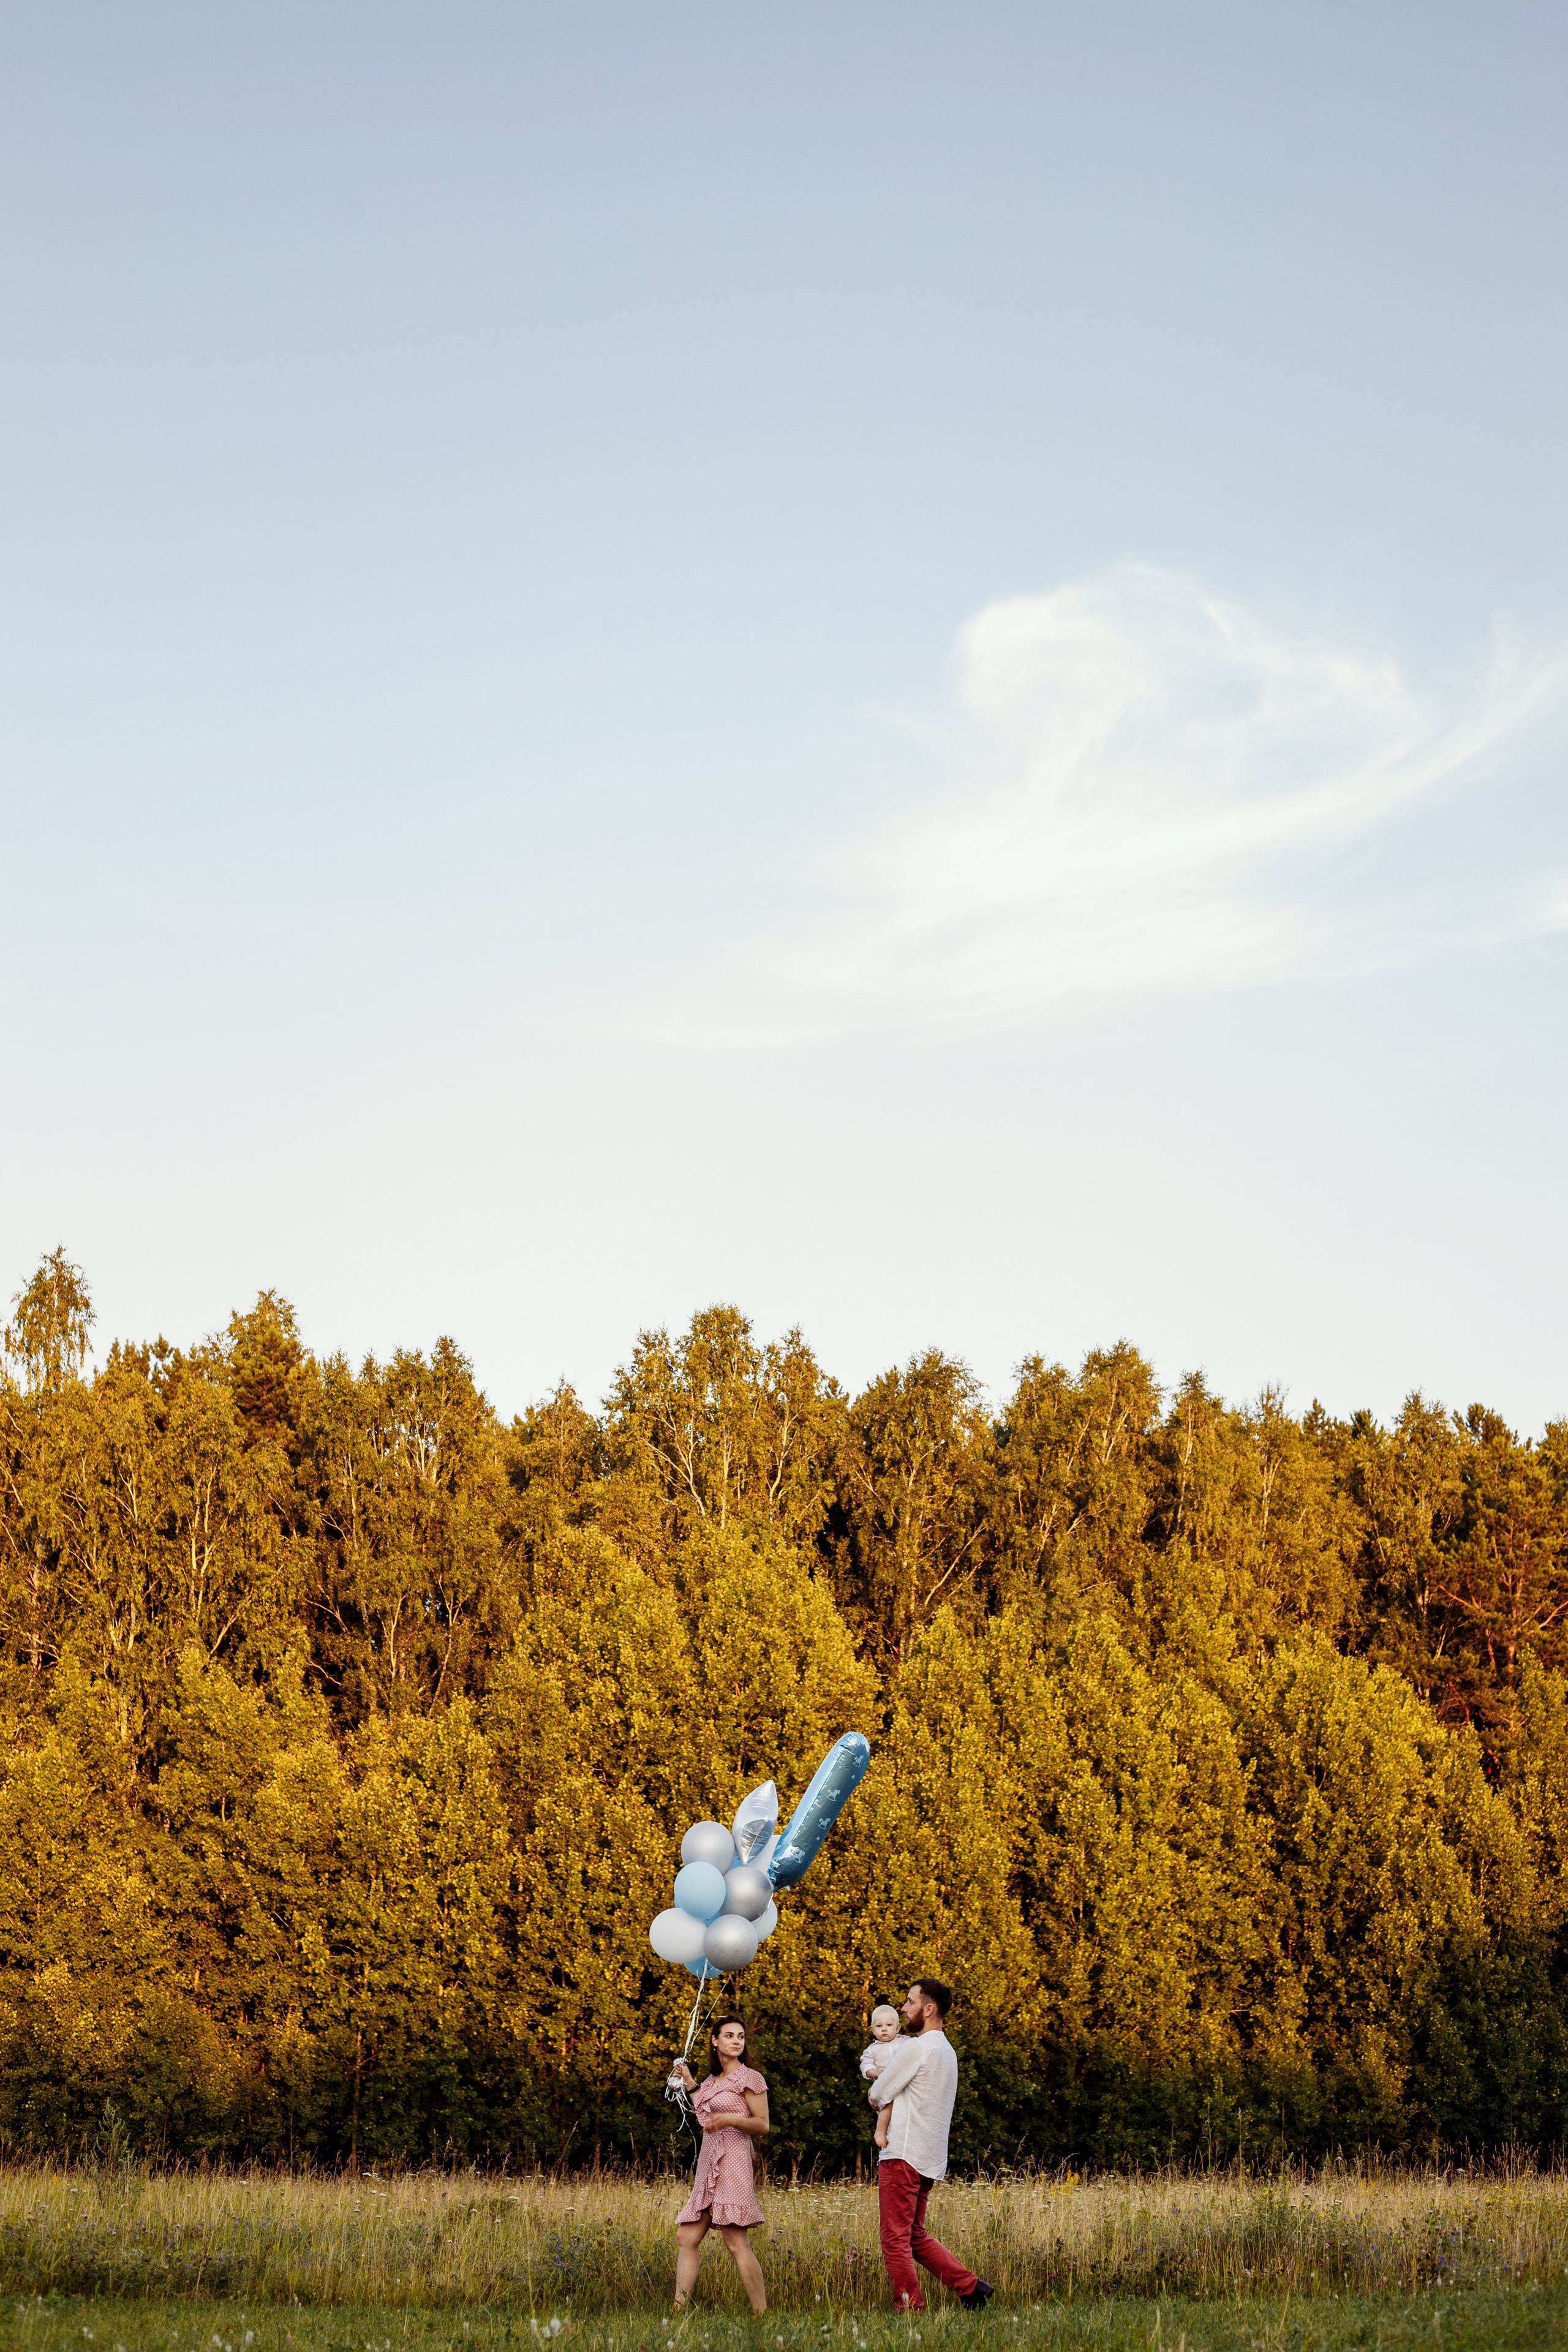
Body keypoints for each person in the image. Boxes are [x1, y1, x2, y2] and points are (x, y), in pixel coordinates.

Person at [866, 1980, 994, 2315]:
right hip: (928, 2158)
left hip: (903, 2154)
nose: (903, 2009)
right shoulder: (947, 2052)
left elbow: (878, 2094)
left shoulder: (917, 2048)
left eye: (909, 2002)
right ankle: (971, 2288)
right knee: (914, 2235)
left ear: (929, 2009)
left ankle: (910, 2309)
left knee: (895, 2240)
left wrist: (876, 2093)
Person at [671, 2014, 770, 2315]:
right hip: (709, 2159)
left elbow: (763, 2125)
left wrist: (729, 2120)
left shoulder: (751, 2078)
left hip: (734, 2159)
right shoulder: (715, 2081)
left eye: (740, 2036)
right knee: (686, 2237)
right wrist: (688, 2081)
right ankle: (677, 2312)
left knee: (735, 2241)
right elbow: (704, 2111)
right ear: (715, 2042)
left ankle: (761, 2313)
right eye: (729, 2036)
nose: (736, 2041)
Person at [859, 2002, 903, 2151]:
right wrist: (876, 2072)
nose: (884, 2029)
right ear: (873, 2030)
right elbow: (865, 2067)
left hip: (903, 2084)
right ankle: (880, 2132)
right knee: (887, 2104)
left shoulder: (906, 2042)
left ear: (897, 2028)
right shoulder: (872, 2050)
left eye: (889, 2025)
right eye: (879, 2026)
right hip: (885, 2085)